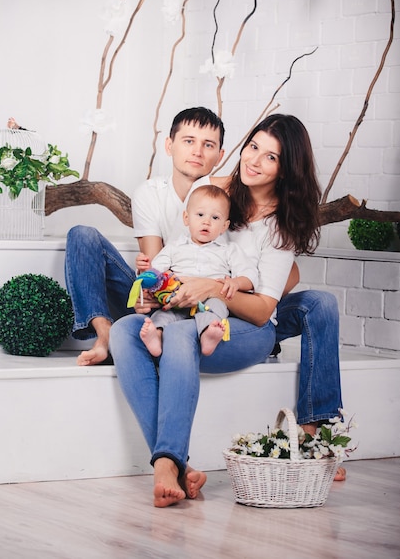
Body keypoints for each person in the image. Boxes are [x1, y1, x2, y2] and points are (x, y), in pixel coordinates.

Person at [109, 113, 344, 508]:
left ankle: (167, 461)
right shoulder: (214, 193)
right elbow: (184, 248)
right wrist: (160, 285)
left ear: (286, 170)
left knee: (317, 303)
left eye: (271, 157)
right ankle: (177, 466)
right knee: (125, 330)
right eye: (253, 146)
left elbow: (262, 309)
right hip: (191, 310)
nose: (254, 160)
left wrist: (214, 288)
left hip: (245, 326)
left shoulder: (281, 226)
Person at [64, 107, 227, 366]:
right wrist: (146, 291)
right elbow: (153, 268)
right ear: (169, 145)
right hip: (160, 297)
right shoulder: (150, 193)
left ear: (219, 155)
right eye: (188, 141)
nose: (197, 151)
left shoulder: (226, 200)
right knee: (82, 235)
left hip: (203, 307)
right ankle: (104, 335)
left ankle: (160, 336)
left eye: (208, 145)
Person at [135, 184, 257, 357]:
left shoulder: (229, 250)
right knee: (164, 314)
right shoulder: (174, 247)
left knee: (215, 308)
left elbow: (250, 276)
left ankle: (209, 334)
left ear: (224, 226)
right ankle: (157, 336)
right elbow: (157, 270)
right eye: (200, 215)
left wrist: (236, 282)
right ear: (186, 218)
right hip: (179, 298)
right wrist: (145, 269)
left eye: (215, 217)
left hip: (210, 298)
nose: (206, 221)